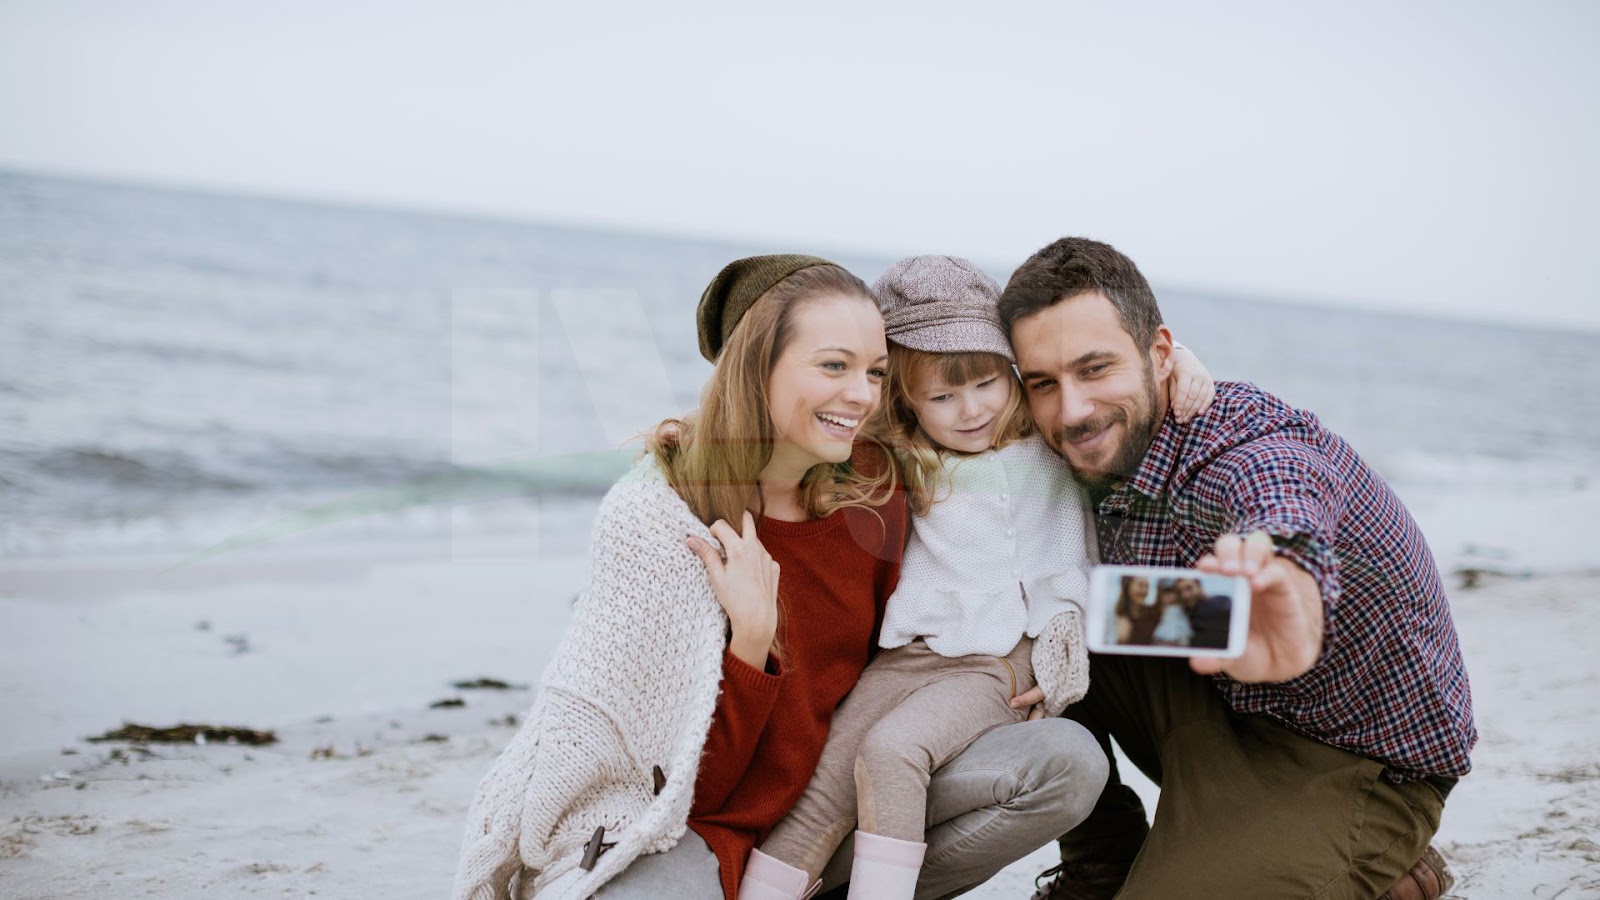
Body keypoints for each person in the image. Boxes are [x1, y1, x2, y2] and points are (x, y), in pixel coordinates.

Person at [452, 255, 1107, 900]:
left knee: (1066, 764)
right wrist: (750, 642)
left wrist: (1172, 366)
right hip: (695, 830)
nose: (860, 395)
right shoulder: (664, 517)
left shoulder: (875, 484)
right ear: (755, 367)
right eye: (833, 366)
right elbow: (682, 786)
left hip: (845, 791)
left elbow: (969, 378)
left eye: (875, 373)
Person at [1000, 237, 1475, 900]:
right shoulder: (1081, 447)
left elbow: (1283, 503)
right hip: (1211, 693)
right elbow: (939, 395)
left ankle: (1386, 854)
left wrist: (1290, 594)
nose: (1071, 410)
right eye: (1044, 383)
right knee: (1018, 617)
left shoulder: (1243, 452)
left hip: (1351, 759)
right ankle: (1103, 861)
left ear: (1159, 355)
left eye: (1096, 368)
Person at [743, 256, 1212, 900]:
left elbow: (1104, 372)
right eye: (941, 396)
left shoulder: (1050, 443)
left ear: (1012, 376)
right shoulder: (906, 457)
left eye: (987, 383)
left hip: (997, 661)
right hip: (910, 657)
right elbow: (833, 397)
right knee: (820, 789)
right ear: (908, 400)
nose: (969, 411)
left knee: (892, 753)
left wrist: (1178, 358)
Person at [1173, 577, 1227, 649]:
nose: (1185, 595)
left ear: (1199, 586)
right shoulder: (1183, 613)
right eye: (1180, 592)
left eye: (1189, 588)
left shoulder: (1221, 604)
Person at [1148, 582, 1192, 647]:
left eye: (1171, 592)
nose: (1168, 596)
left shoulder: (1180, 609)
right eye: (1165, 593)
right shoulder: (1153, 612)